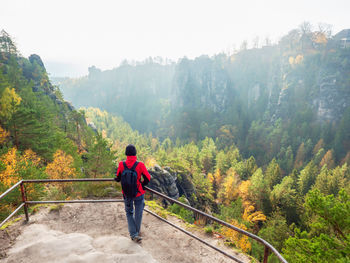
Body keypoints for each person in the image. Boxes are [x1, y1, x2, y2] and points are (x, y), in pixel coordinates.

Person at [115, 144, 151, 242]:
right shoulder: (140, 165)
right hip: (138, 193)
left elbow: (118, 178)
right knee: (138, 213)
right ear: (135, 153)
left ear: (126, 153)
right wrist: (142, 185)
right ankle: (136, 233)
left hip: (126, 193)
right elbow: (148, 178)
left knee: (129, 213)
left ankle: (133, 234)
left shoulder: (121, 164)